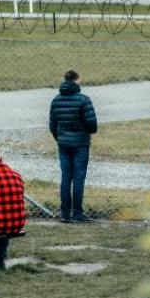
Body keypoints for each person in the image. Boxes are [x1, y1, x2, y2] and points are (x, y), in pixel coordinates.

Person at [49, 69, 98, 222]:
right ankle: (77, 213)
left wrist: (60, 138)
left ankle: (65, 213)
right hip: (81, 143)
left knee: (66, 177)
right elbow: (92, 124)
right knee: (78, 177)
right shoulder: (84, 100)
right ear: (77, 80)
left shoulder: (56, 100)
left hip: (63, 143)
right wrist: (87, 132)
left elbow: (52, 125)